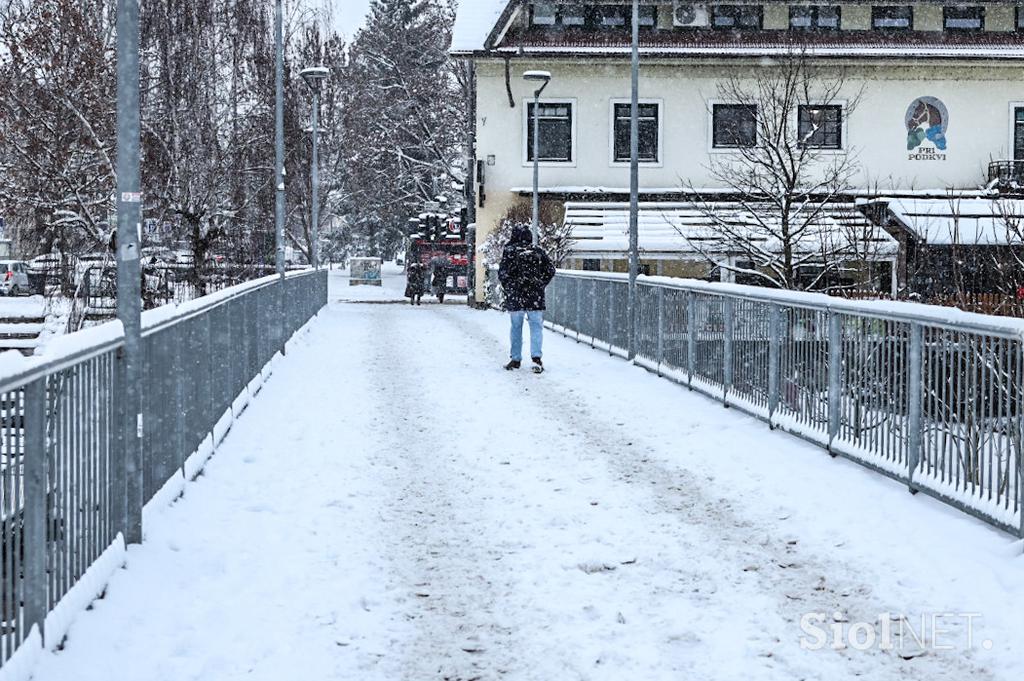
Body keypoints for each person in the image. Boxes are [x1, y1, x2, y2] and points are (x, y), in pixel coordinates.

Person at [498, 224, 556, 373]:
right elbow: (550, 269)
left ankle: (515, 359)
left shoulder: (510, 251)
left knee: (516, 327)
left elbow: (502, 273)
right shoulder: (537, 251)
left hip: (516, 296)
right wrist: (541, 283)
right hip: (534, 296)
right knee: (536, 327)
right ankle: (536, 358)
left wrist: (510, 287)